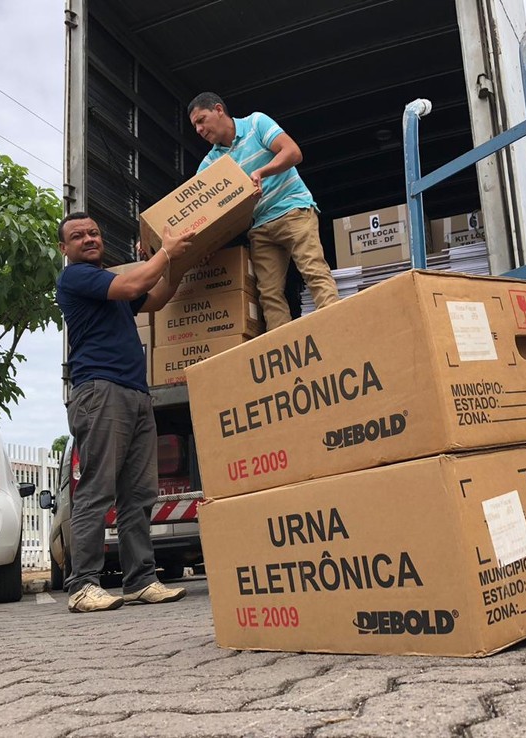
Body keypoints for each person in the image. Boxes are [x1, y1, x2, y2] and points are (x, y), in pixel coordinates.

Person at [56, 212, 192, 613]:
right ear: (64, 248)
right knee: (97, 490)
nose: (89, 239)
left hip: (135, 392)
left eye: (94, 232)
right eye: (78, 236)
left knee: (139, 494)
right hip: (100, 390)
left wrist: (177, 263)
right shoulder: (76, 278)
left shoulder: (108, 283)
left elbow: (155, 298)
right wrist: (166, 253)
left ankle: (140, 581)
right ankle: (83, 585)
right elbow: (135, 283)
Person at [187, 92, 339, 330]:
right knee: (269, 294)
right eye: (195, 126)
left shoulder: (255, 123)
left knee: (314, 272)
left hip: (292, 209)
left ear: (218, 110)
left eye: (201, 120)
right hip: (260, 227)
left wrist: (261, 172)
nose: (198, 130)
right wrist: (200, 246)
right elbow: (194, 210)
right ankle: (284, 347)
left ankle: (339, 332)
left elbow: (293, 152)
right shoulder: (209, 164)